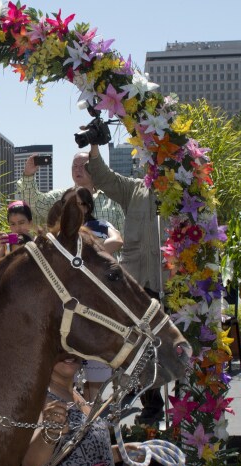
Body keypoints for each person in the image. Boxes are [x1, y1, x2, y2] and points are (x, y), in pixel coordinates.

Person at [87, 143, 165, 426]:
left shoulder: (182, 193)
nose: (154, 165)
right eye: (152, 159)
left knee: (173, 347)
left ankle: (186, 407)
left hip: (171, 281)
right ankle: (152, 404)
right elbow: (105, 178)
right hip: (138, 282)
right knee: (141, 348)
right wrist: (94, 149)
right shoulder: (134, 189)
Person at [20, 355, 142, 466]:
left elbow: (83, 454)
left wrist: (122, 452)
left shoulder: (78, 396)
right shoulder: (38, 398)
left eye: (71, 347)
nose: (68, 354)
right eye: (60, 348)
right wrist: (50, 432)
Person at [17, 153, 125, 233]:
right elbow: (35, 203)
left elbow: (125, 237)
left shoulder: (111, 200)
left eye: (83, 166)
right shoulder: (60, 197)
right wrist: (28, 175)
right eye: (75, 166)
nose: (78, 169)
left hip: (104, 261)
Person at [62, 187, 124, 255]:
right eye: (64, 202)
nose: (67, 207)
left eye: (74, 204)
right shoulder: (59, 232)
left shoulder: (97, 225)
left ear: (86, 207)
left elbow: (117, 241)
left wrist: (85, 256)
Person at [0, 200, 33, 265]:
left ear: (30, 223)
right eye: (13, 224)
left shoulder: (36, 243)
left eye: (21, 223)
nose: (17, 228)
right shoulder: (6, 244)